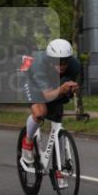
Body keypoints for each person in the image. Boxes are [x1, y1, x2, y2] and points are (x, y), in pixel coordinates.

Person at [20, 39, 81, 174]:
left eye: (65, 61)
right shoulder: (39, 63)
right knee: (40, 112)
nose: (61, 65)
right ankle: (27, 142)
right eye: (57, 61)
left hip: (52, 83)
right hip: (31, 81)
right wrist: (61, 89)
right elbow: (47, 96)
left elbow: (65, 90)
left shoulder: (75, 65)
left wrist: (72, 89)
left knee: (56, 115)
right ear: (50, 59)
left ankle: (58, 166)